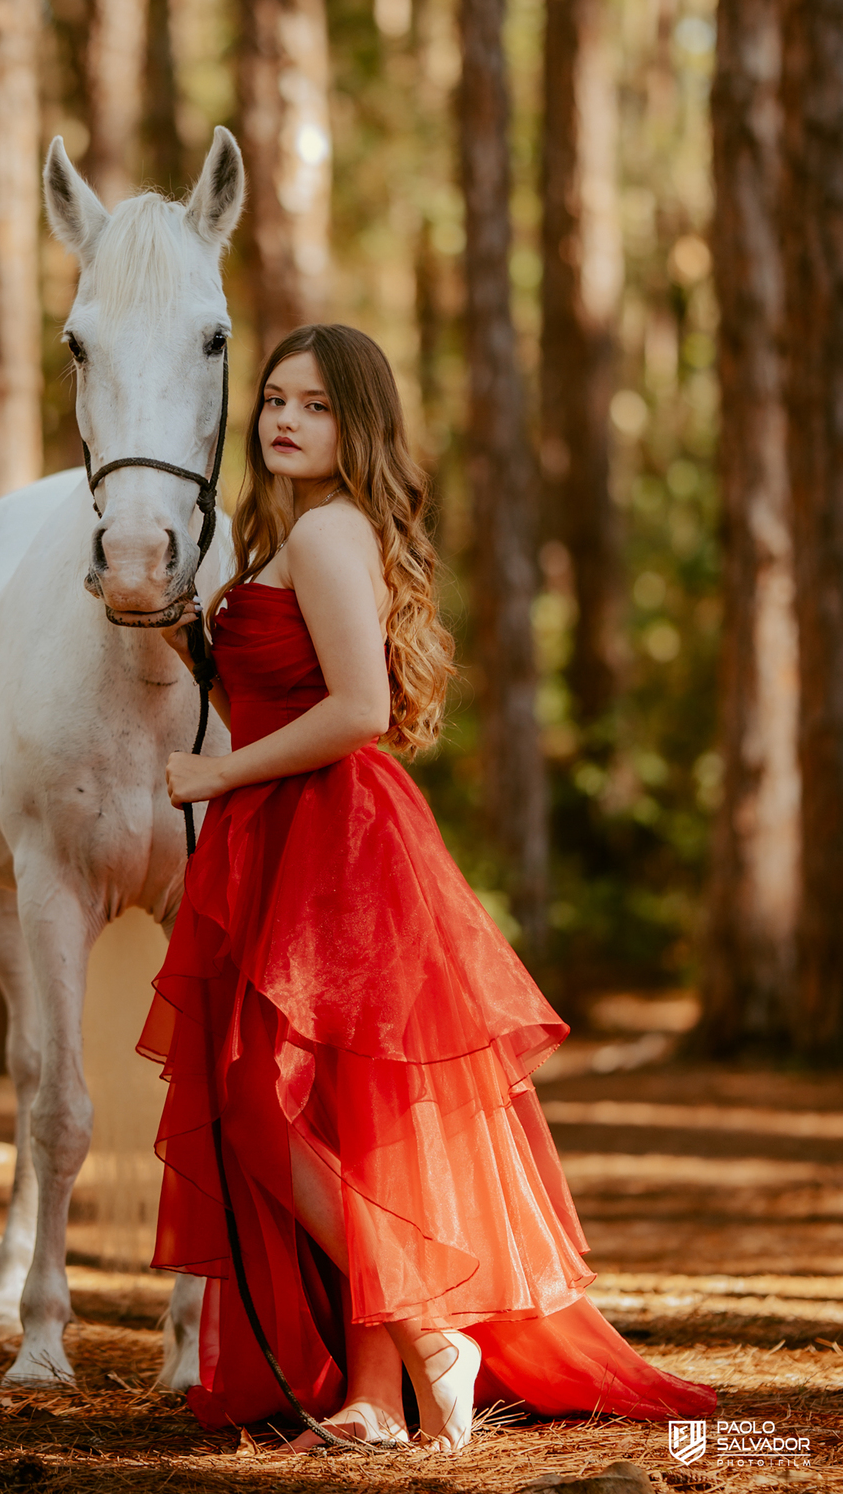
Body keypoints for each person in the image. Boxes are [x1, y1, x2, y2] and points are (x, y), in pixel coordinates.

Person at [138, 324, 715, 1451]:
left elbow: (359, 710)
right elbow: (282, 689)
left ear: (360, 424)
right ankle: (371, 1396)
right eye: (274, 399)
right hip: (291, 826)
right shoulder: (299, 528)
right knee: (336, 1115)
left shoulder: (329, 532)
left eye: (316, 405)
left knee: (257, 1107)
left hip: (330, 834)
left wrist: (217, 772)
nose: (285, 420)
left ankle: (427, 1330)